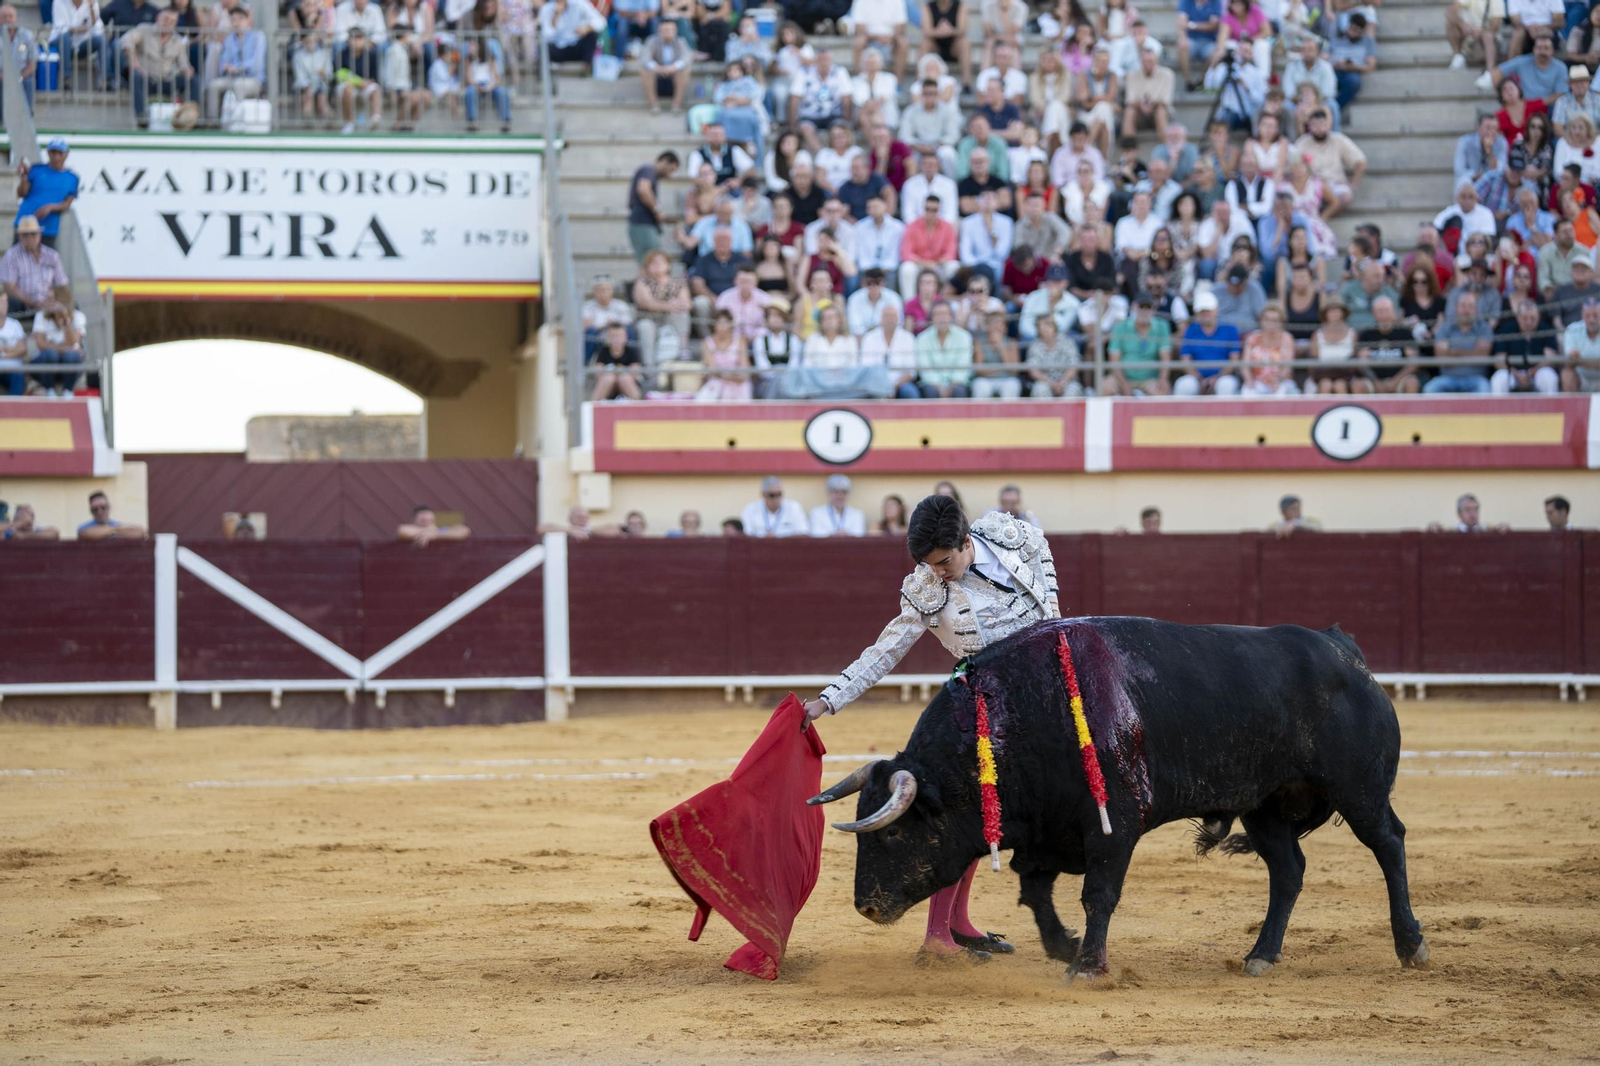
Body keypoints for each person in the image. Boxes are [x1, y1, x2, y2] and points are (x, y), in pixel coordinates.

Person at [803, 495, 1060, 962]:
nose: (937, 572)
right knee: (964, 817)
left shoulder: (1013, 537)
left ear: (966, 540)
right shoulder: (926, 587)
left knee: (986, 820)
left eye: (944, 561)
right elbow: (885, 651)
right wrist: (828, 699)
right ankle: (937, 936)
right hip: (982, 710)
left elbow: (1050, 596)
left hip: (1042, 703)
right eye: (929, 565)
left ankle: (957, 923)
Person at [13, 139, 79, 251]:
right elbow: (21, 193)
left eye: (60, 153)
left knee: (45, 263)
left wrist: (50, 207)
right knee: (17, 261)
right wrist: (24, 178)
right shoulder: (37, 170)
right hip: (25, 224)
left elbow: (67, 203)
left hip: (48, 227)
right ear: (48, 153)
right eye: (53, 152)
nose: (56, 157)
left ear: (66, 154)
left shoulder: (72, 178)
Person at [1426, 290, 1494, 392]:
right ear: (1456, 308)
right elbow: (1440, 356)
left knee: (1484, 389)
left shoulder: (1483, 328)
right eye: (1463, 306)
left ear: (1476, 309)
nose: (1466, 311)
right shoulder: (1445, 328)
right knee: (1430, 389)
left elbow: (1482, 355)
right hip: (1448, 378)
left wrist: (1453, 352)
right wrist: (1472, 353)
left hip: (1476, 379)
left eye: (1470, 306)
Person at [740, 475, 809, 537]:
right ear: (763, 495)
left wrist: (778, 539)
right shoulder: (750, 509)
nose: (776, 499)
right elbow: (746, 535)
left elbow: (803, 533)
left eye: (779, 494)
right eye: (771, 495)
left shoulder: (793, 507)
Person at [77, 491, 147, 542]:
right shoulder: (85, 527)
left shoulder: (116, 526)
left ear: (109, 507)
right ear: (91, 511)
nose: (100, 512)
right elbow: (84, 534)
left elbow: (141, 532)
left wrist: (113, 531)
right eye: (95, 509)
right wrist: (115, 531)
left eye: (103, 507)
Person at [397, 504, 472, 544]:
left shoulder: (443, 529)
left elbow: (464, 530)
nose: (426, 519)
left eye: (428, 517)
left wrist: (434, 535)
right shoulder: (411, 529)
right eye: (423, 518)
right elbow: (403, 531)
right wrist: (428, 532)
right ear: (414, 521)